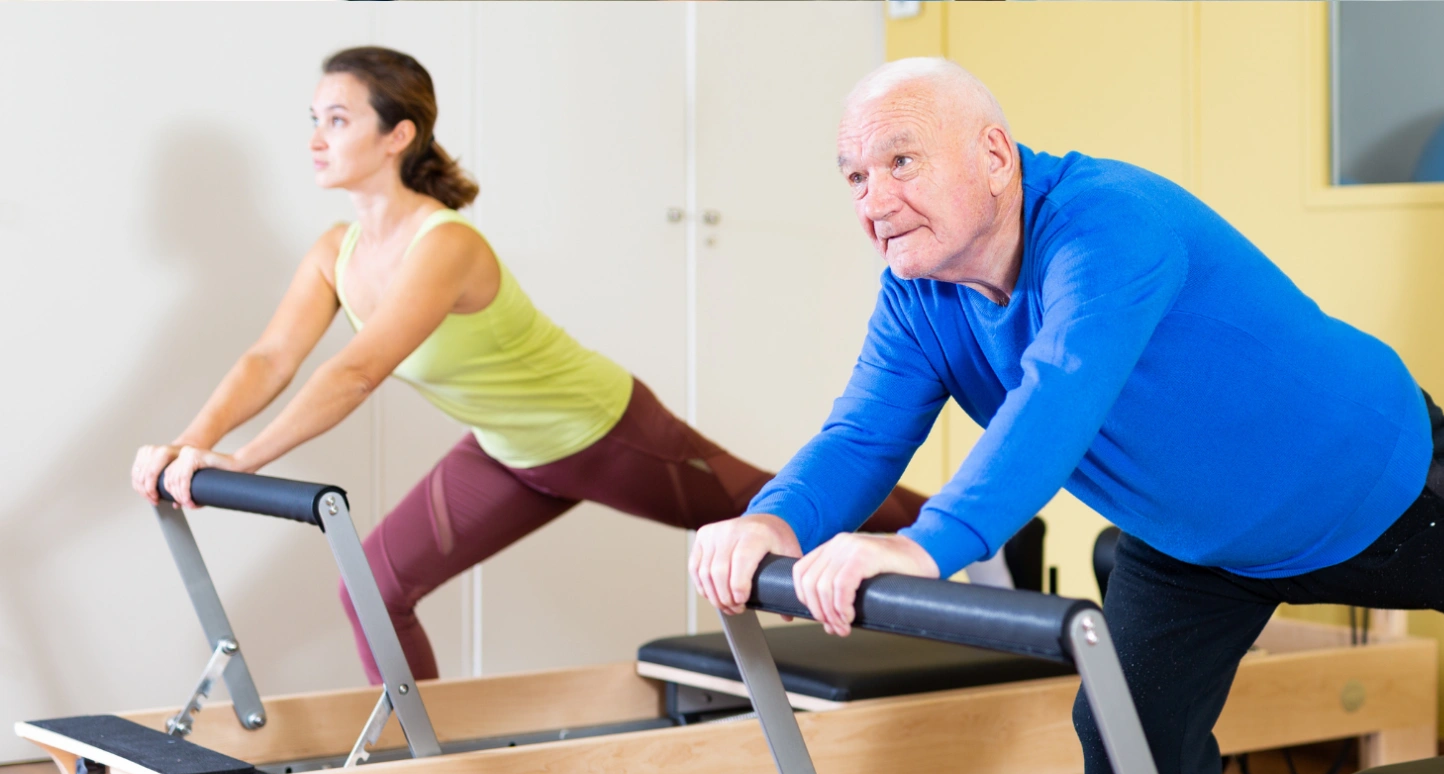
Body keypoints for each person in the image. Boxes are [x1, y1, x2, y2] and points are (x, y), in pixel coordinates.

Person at [688, 58, 1444, 774]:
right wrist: (775, 520)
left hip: (1371, 484)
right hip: (1196, 542)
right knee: (1128, 731)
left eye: (900, 161)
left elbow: (1059, 392)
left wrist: (928, 545)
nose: (874, 199)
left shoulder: (1107, 223)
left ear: (992, 154)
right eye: (854, 176)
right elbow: (864, 430)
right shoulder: (920, 292)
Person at [129, 46, 928, 685]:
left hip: (606, 433)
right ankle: (426, 765)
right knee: (372, 586)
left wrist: (242, 459)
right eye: (313, 120)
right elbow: (271, 355)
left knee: (797, 509)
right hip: (508, 454)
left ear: (397, 135)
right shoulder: (334, 252)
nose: (315, 137)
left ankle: (965, 530)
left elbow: (357, 372)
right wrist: (191, 444)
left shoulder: (445, 244)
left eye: (337, 120)